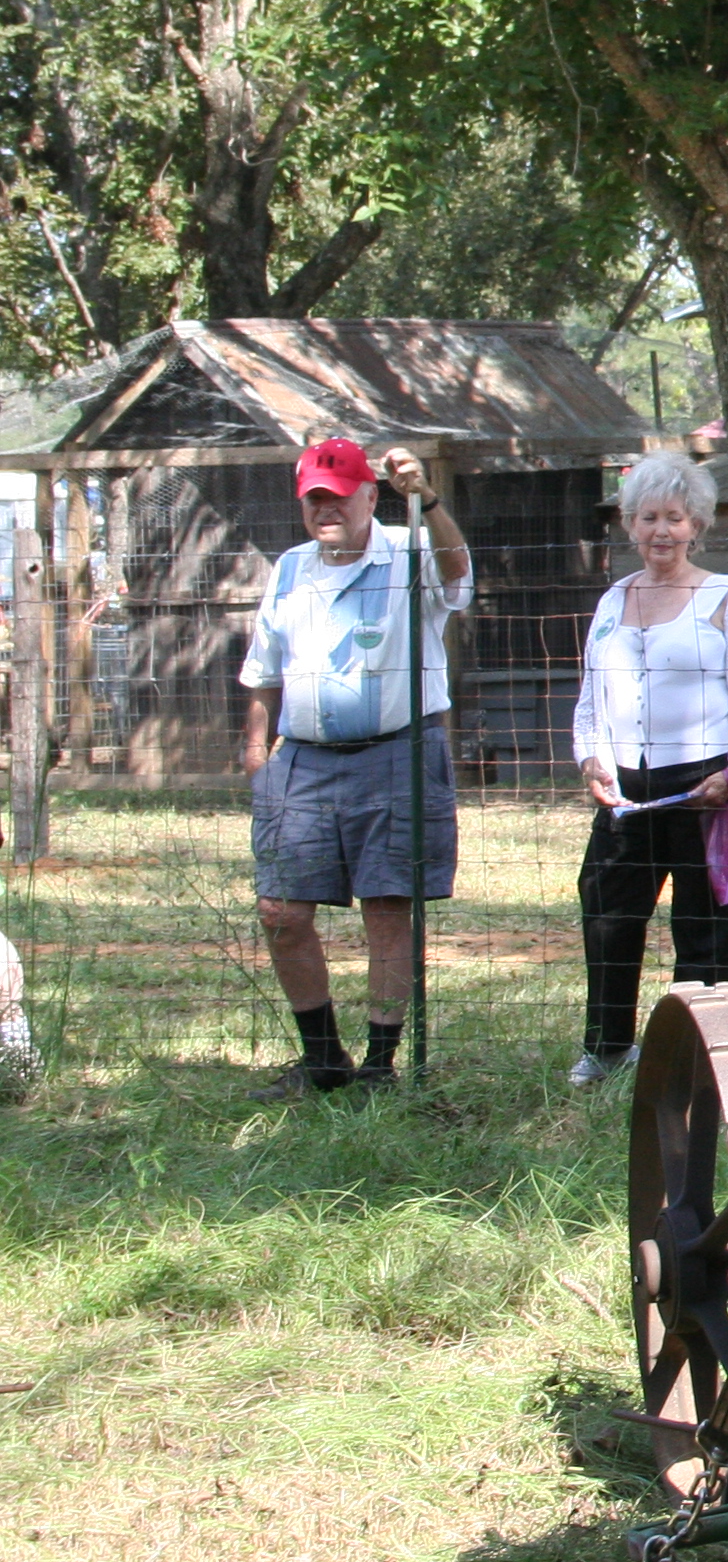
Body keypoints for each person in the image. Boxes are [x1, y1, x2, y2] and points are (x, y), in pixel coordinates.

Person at [239, 439, 472, 1098]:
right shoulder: (289, 569)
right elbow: (262, 672)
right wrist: (258, 752)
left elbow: (457, 574)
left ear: (371, 496)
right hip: (305, 763)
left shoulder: (409, 550)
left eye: (339, 497)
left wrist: (425, 497)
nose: (326, 510)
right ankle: (321, 1061)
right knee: (280, 910)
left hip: (398, 751)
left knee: (388, 910)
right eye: (315, 498)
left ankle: (379, 1064)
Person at [568, 452, 728, 1087]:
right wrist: (590, 758)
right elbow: (589, 698)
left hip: (709, 786)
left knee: (706, 921)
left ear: (696, 525)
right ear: (628, 524)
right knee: (607, 910)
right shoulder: (611, 601)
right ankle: (607, 1046)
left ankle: (699, 1051)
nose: (661, 531)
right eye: (648, 517)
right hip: (627, 790)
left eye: (674, 519)